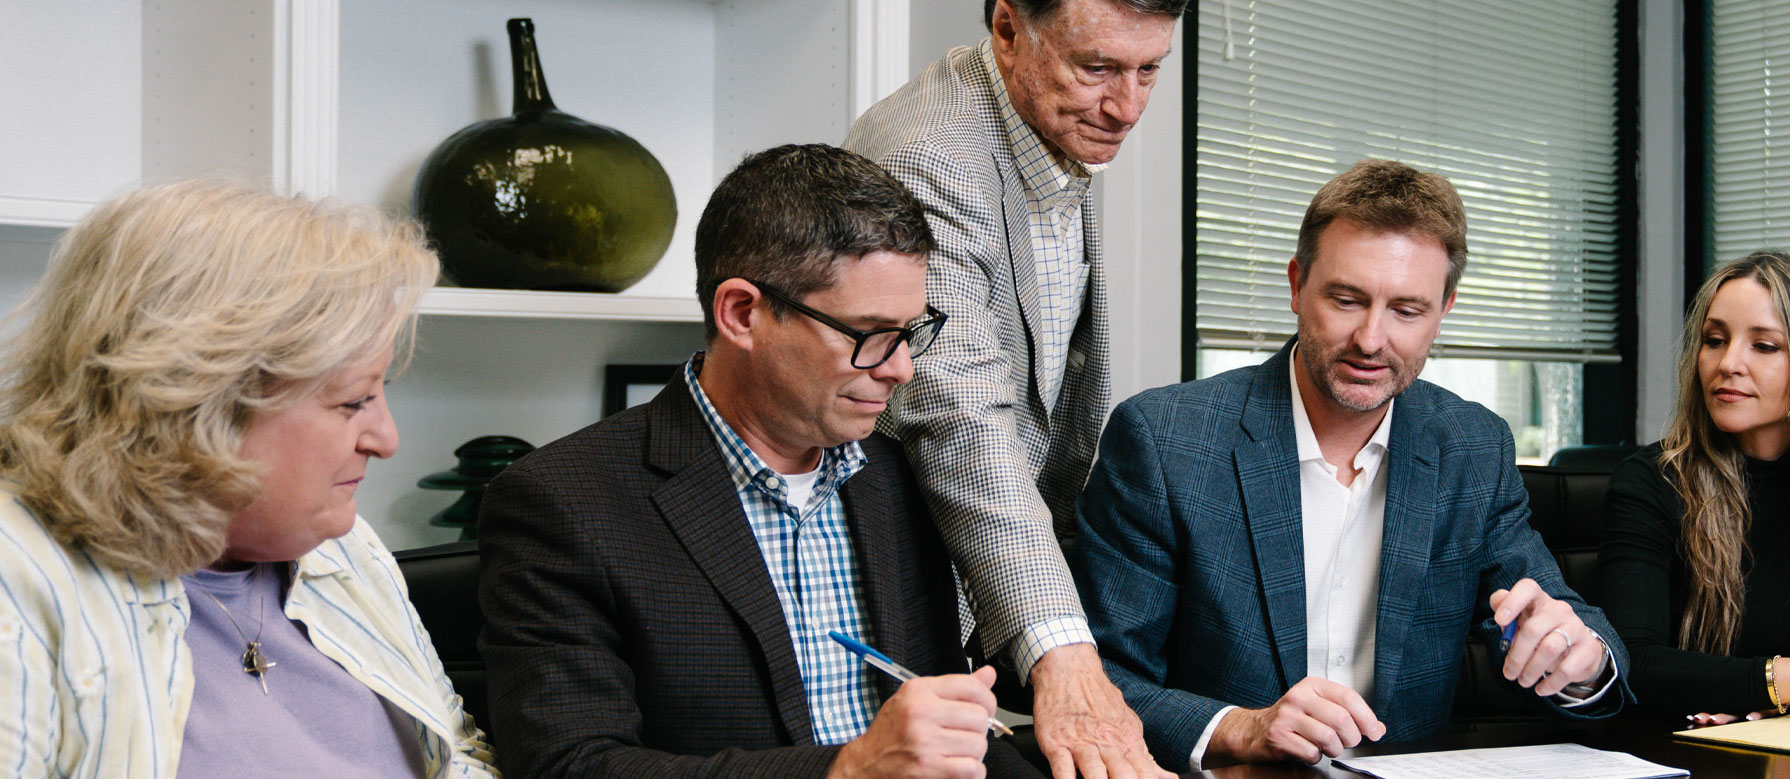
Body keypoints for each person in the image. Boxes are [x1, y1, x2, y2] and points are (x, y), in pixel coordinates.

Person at [477, 144, 1040, 778]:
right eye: (869, 334)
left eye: (911, 332)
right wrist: (847, 771)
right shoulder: (562, 504)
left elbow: (953, 739)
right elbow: (568, 767)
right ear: (742, 313)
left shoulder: (898, 474)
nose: (900, 369)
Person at [1069, 160, 1627, 771]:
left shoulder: (1472, 447)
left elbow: (1558, 620)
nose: (1370, 338)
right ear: (1296, 286)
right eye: (1346, 299)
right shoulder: (1165, 440)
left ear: (1445, 310)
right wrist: (1239, 727)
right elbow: (1095, 676)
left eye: (1407, 311)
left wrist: (1580, 659)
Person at [0, 179, 493, 776]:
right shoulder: (19, 577)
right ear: (196, 403)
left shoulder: (341, 546)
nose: (387, 440)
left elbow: (458, 752)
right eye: (352, 402)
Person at [841, 1, 1184, 774]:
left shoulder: (1055, 124)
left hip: (998, 582)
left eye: (1149, 69)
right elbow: (961, 417)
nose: (1126, 107)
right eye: (1096, 67)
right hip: (907, 568)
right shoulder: (929, 158)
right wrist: (1063, 653)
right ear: (1006, 29)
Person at [1600, 251, 1790, 725]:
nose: (1728, 363)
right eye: (1714, 340)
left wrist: (1770, 700)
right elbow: (1635, 662)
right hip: (1680, 745)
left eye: (1764, 346)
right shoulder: (1650, 480)